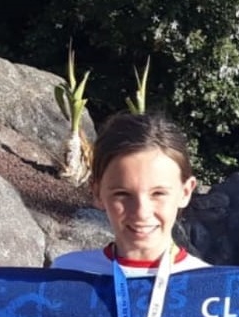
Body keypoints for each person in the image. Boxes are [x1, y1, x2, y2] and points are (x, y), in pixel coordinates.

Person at [52, 112, 208, 275]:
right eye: (123, 194)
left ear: (185, 192)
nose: (141, 212)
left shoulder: (209, 283)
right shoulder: (66, 274)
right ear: (97, 193)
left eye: (158, 193)